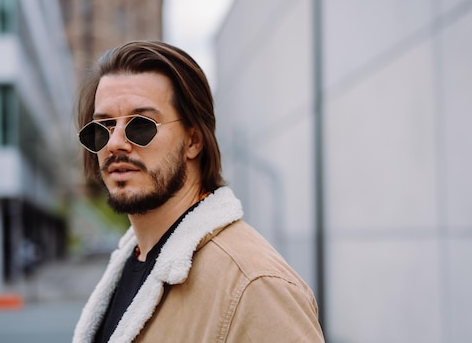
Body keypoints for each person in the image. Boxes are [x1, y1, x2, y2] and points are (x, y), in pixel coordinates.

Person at [72, 40, 324, 343]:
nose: (115, 143)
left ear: (193, 140)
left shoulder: (253, 285)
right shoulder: (135, 261)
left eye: (141, 125)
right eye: (103, 127)